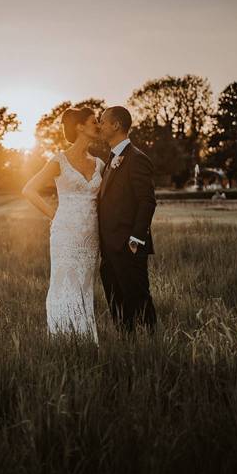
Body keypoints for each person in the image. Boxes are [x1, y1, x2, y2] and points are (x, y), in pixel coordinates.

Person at [22, 107, 103, 342]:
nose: (98, 124)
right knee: (64, 283)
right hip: (65, 233)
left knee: (84, 286)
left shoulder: (99, 164)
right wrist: (54, 215)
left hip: (91, 235)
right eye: (93, 121)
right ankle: (61, 339)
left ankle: (85, 340)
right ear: (79, 126)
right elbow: (28, 190)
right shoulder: (59, 161)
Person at [95, 106, 158, 332]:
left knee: (139, 300)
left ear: (116, 125)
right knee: (118, 306)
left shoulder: (136, 159)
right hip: (109, 250)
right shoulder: (110, 160)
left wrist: (135, 241)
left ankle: (153, 347)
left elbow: (147, 202)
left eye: (102, 121)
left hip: (128, 247)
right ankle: (126, 346)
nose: (99, 125)